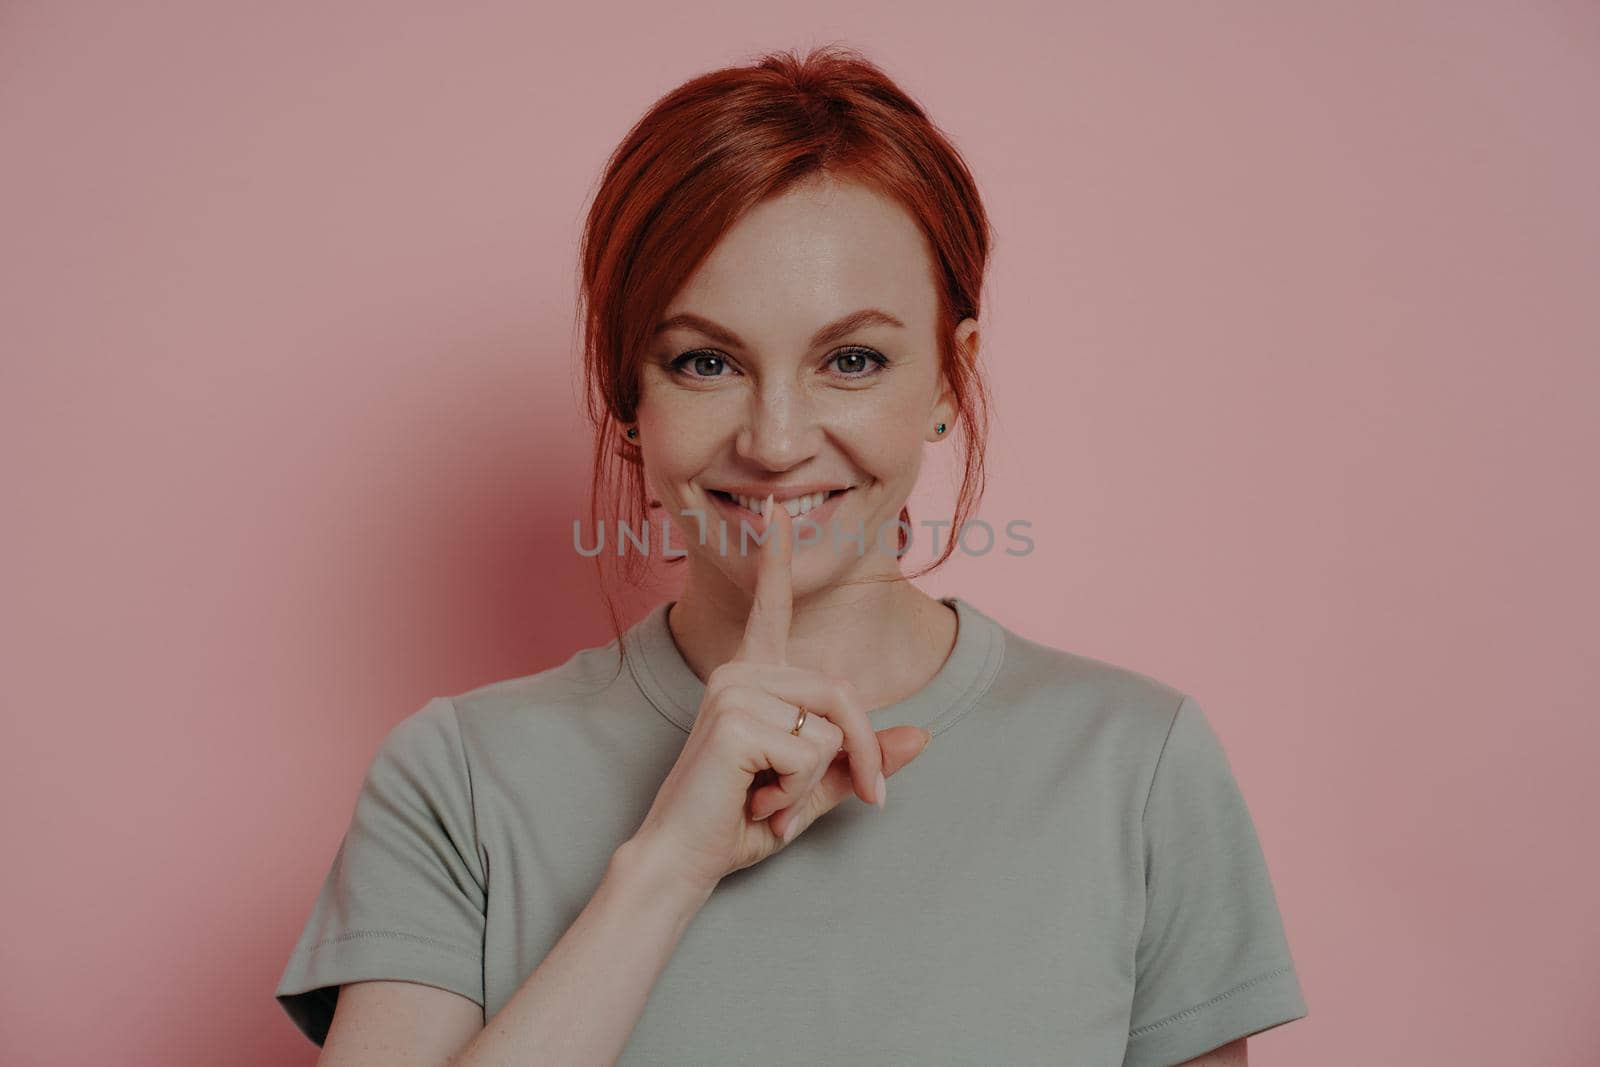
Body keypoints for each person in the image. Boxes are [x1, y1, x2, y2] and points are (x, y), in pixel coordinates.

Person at [275, 44, 1308, 1066]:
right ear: (629, 397)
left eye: (851, 359)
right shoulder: (457, 776)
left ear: (949, 379)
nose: (774, 441)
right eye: (705, 361)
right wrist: (664, 868)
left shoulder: (1134, 762)